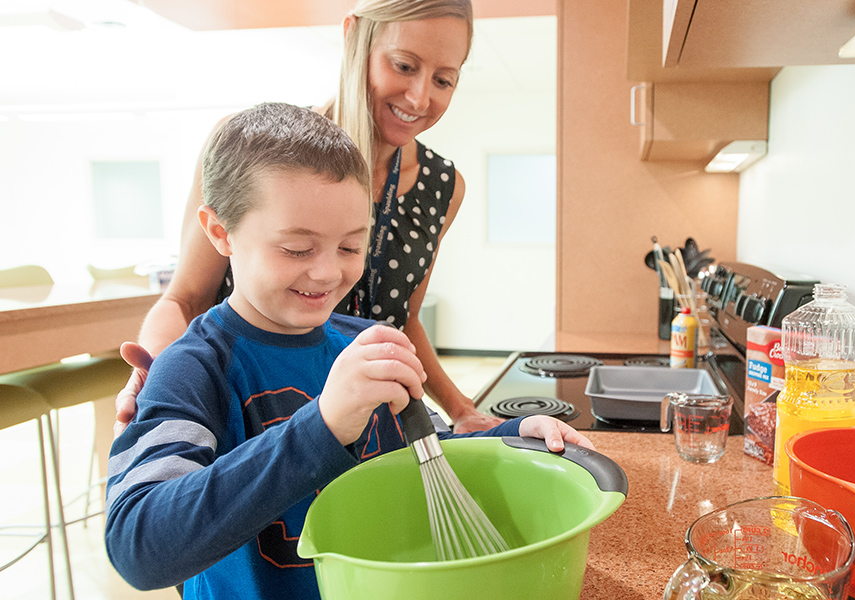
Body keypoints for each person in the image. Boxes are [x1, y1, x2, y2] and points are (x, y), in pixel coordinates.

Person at [104, 103, 592, 600]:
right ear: (220, 232)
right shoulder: (195, 367)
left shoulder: (366, 339)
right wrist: (323, 426)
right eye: (297, 249)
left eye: (350, 247)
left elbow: (423, 453)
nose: (327, 273)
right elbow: (139, 547)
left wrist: (514, 435)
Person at [115, 0, 504, 437]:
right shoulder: (256, 154)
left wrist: (462, 408)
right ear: (355, 36)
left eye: (444, 79)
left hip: (373, 426)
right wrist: (162, 379)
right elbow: (184, 300)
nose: (420, 97)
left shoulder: (443, 187)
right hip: (254, 414)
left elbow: (405, 320)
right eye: (403, 65)